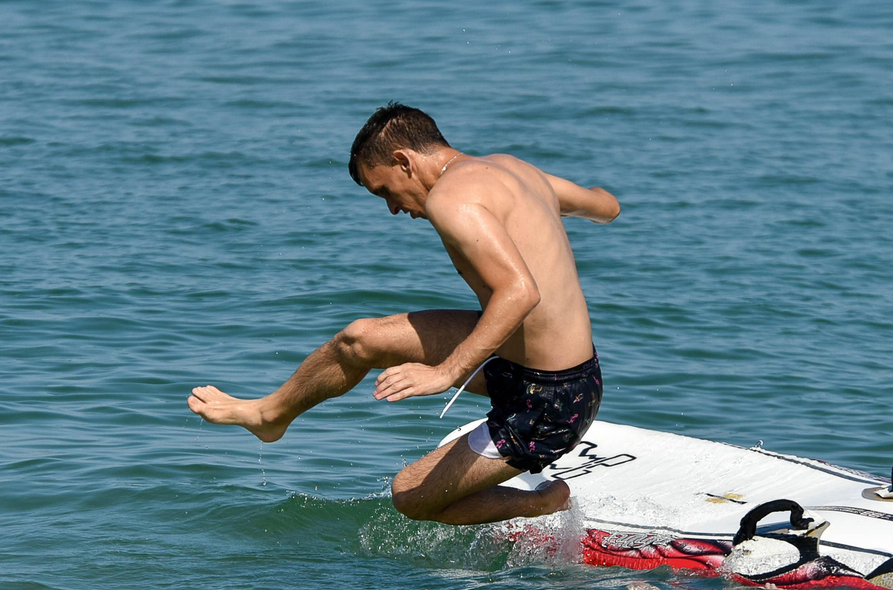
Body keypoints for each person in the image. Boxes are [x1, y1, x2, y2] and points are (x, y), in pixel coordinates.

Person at [188, 103, 621, 525]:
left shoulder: (450, 200)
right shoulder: (512, 169)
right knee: (360, 340)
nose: (393, 209)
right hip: (521, 359)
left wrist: (446, 372)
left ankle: (545, 502)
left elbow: (521, 291)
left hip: (553, 398)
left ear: (403, 161)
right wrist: (546, 206)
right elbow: (607, 207)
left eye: (385, 191)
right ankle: (270, 417)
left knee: (411, 496)